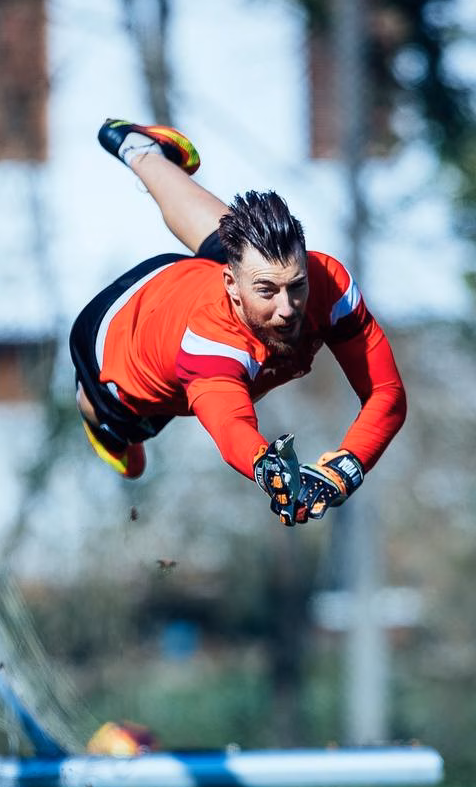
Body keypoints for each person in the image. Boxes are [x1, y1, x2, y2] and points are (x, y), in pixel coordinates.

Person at [70, 119, 407, 526]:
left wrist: (345, 468)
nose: (287, 308)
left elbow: (386, 392)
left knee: (235, 238)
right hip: (110, 334)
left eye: (296, 286)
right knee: (121, 434)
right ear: (231, 284)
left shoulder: (325, 281)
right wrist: (267, 469)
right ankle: (103, 423)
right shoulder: (211, 345)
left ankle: (137, 147)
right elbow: (232, 427)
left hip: (190, 287)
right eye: (268, 291)